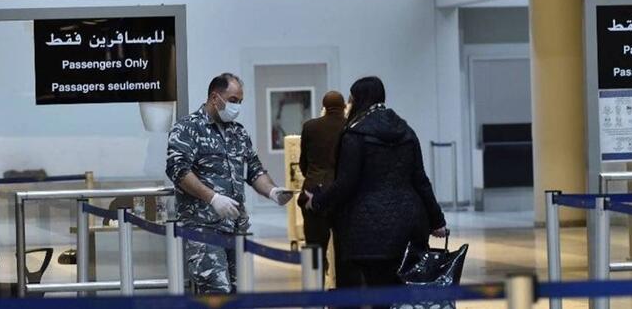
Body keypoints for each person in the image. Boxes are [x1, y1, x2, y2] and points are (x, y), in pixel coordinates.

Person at [305, 76, 446, 299]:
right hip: (410, 224)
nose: (349, 104)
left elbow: (346, 183)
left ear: (359, 100)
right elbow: (420, 179)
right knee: (403, 292)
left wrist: (318, 201)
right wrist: (437, 220)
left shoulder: (355, 135)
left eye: (351, 99)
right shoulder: (406, 131)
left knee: (378, 292)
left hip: (369, 229)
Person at [166, 73, 293, 294]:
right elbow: (177, 170)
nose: (237, 107)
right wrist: (213, 198)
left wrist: (273, 191)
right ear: (215, 98)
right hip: (203, 228)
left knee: (239, 294)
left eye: (240, 102)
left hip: (236, 228)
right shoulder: (188, 128)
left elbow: (254, 170)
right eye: (233, 100)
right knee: (218, 292)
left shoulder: (238, 132)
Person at [298, 90, 356, 285]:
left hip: (313, 193)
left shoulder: (310, 127)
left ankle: (314, 295)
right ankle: (344, 297)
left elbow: (303, 164)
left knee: (315, 250)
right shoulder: (351, 126)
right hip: (343, 197)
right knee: (344, 253)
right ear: (344, 107)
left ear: (324, 107)